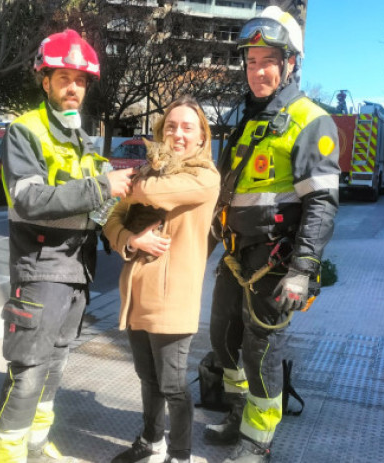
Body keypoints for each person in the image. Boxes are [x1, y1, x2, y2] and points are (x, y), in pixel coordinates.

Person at [0, 29, 134, 463]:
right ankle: (6, 455)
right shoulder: (25, 131)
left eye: (81, 80)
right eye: (65, 77)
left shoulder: (82, 138)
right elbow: (29, 200)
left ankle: (34, 445)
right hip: (40, 269)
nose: (74, 88)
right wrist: (101, 186)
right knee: (29, 370)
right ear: (45, 80)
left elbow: (101, 207)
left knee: (55, 365)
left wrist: (128, 218)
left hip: (76, 270)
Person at [206, 6, 340, 462]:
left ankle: (257, 440)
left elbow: (321, 202)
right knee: (222, 336)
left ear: (290, 64)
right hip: (234, 255)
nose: (257, 71)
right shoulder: (250, 118)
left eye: (268, 60)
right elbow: (228, 194)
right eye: (250, 61)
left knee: (261, 349)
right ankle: (238, 411)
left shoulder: (309, 120)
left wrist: (303, 270)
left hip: (275, 261)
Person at [103, 95, 220, 463]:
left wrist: (123, 182)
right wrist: (130, 239)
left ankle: (180, 455)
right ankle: (151, 442)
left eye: (188, 127)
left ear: (202, 137)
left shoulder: (204, 177)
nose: (178, 134)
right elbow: (110, 218)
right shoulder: (150, 170)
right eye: (171, 126)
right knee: (148, 378)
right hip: (136, 295)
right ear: (160, 132)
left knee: (173, 385)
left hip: (174, 298)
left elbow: (151, 192)